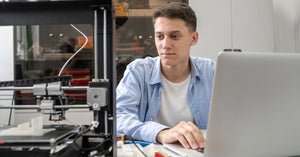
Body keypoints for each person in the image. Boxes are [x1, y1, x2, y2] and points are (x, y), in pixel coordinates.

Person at [116, 2, 215, 150]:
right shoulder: (138, 71)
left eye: (174, 36)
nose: (165, 44)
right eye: (160, 36)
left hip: (197, 150)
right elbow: (119, 116)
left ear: (193, 38)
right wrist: (161, 133)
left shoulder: (212, 71)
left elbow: (236, 116)